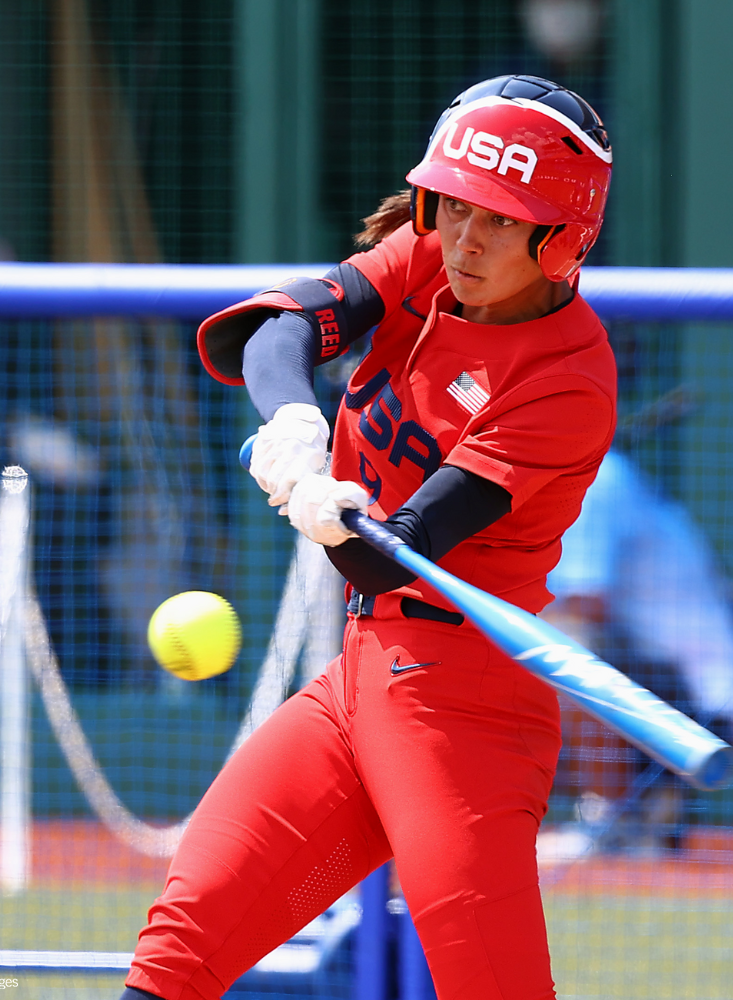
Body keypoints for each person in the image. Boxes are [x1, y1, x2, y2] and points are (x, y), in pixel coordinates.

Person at [121, 74, 615, 1000]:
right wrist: (295, 429)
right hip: (360, 678)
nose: (465, 238)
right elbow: (272, 337)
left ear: (561, 238)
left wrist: (330, 510)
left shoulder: (570, 381)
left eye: (501, 220)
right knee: (178, 947)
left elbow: (401, 544)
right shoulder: (426, 258)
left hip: (466, 707)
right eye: (454, 206)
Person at [543, 448, 733, 852]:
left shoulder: (596, 475)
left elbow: (586, 603)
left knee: (561, 639)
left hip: (700, 705)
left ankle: (611, 822)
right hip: (653, 685)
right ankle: (645, 808)